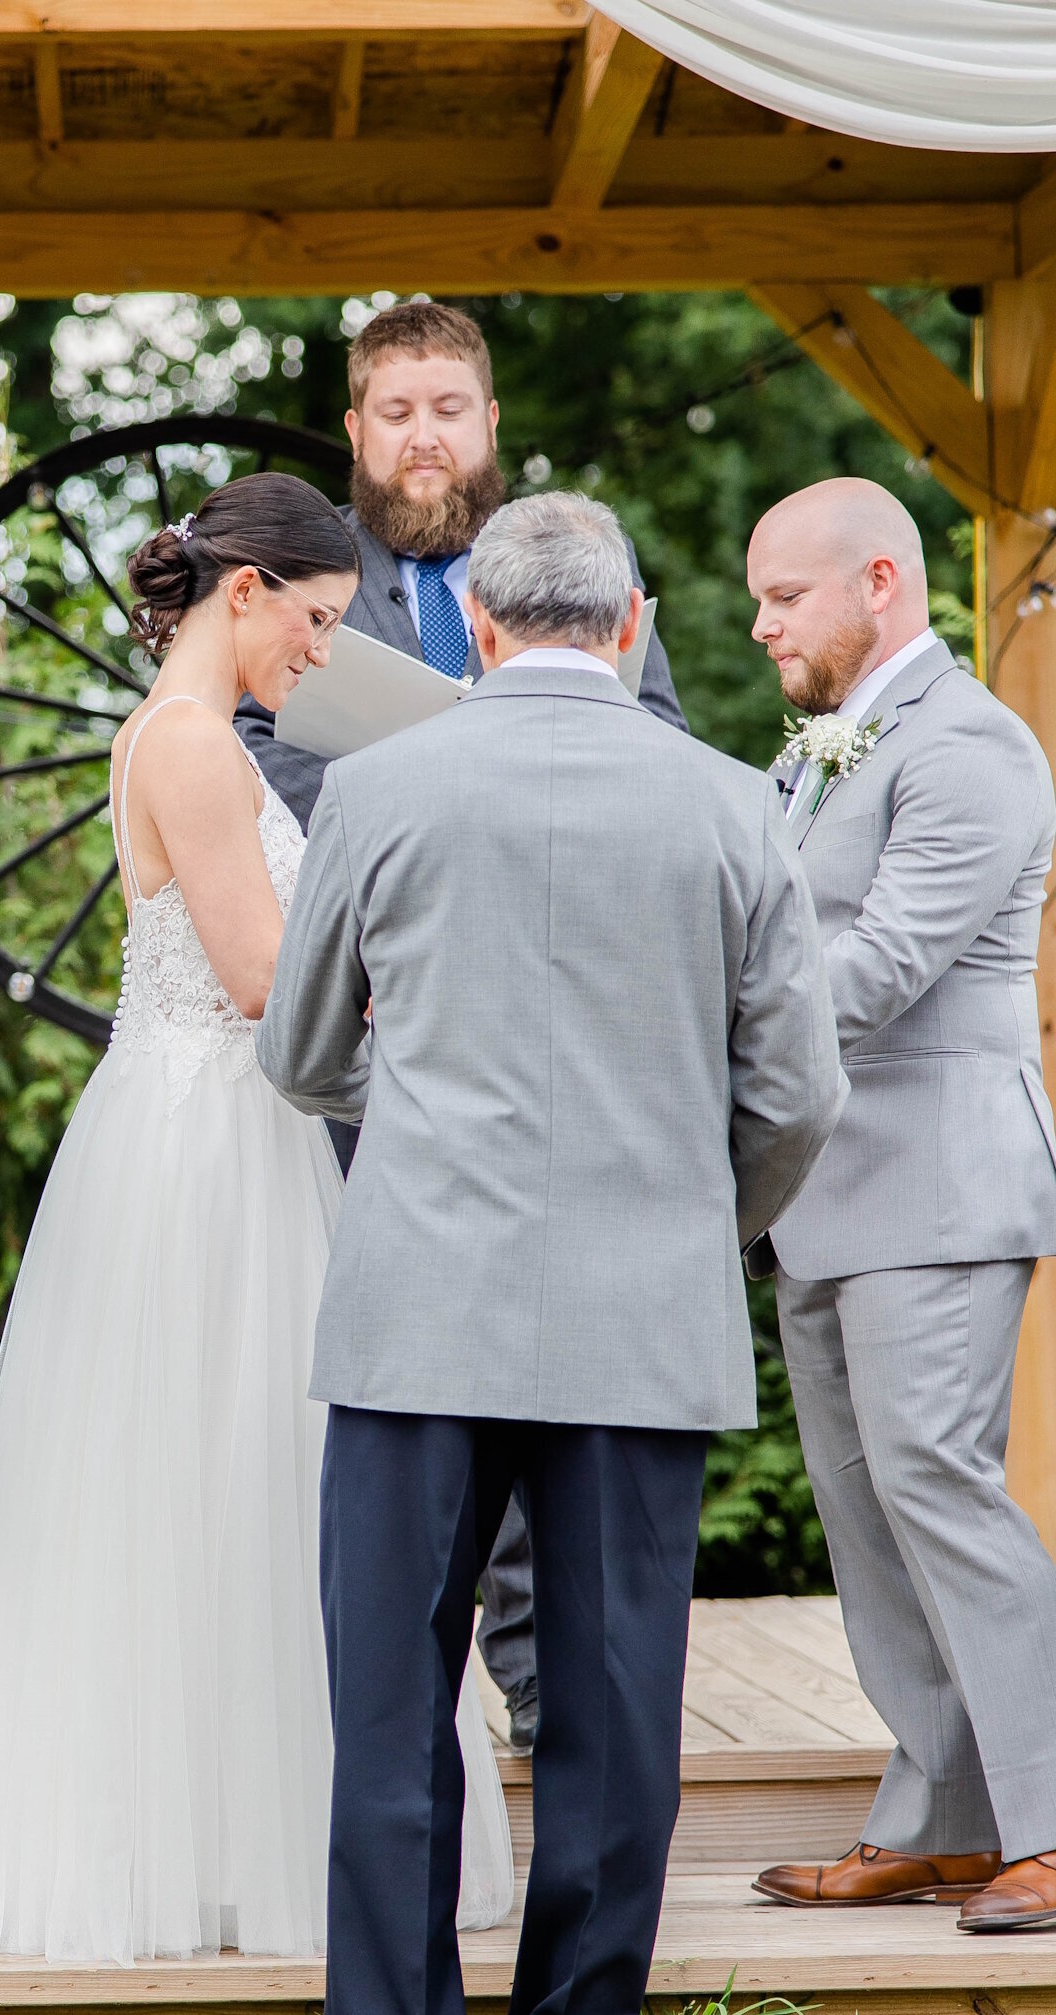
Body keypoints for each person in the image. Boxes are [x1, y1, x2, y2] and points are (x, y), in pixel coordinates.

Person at [258, 491, 844, 2015]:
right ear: (635, 624)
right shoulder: (732, 804)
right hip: (639, 1327)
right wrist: (694, 1216)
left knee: (392, 1725)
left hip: (414, 1316)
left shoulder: (378, 787)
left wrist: (416, 1111)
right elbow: (799, 1094)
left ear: (483, 628)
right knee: (611, 1725)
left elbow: (300, 1053)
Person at [0, 473, 513, 1965]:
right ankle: (212, 1845)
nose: (321, 652)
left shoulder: (181, 731)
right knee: (221, 1466)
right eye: (316, 621)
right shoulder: (193, 747)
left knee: (240, 1473)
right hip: (212, 1146)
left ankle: (237, 1829)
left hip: (217, 1129)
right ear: (247, 593)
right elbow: (263, 982)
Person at [248, 299, 688, 1757]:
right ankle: (410, 1704)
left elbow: (659, 752)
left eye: (448, 409)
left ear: (489, 422)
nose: (423, 437)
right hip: (392, 1023)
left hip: (569, 1037)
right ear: (356, 430)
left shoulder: (578, 563)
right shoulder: (311, 579)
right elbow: (259, 749)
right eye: (396, 413)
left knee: (560, 1367)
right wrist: (417, 832)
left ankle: (551, 1693)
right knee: (421, 1384)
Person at [745, 476, 1056, 1933]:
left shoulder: (970, 744)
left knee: (939, 1487)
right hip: (822, 1191)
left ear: (881, 582)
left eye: (786, 595)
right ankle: (946, 1821)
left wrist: (696, 1047)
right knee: (866, 1513)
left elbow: (879, 969)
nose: (763, 624)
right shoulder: (810, 757)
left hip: (935, 1186)